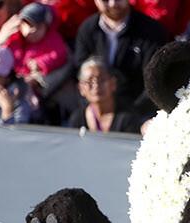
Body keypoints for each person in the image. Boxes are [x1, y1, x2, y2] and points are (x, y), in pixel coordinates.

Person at [73, 0, 171, 132]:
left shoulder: (151, 31)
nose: (113, 4)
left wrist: (131, 114)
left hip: (140, 112)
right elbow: (81, 73)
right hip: (95, 111)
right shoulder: (87, 29)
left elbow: (154, 80)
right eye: (105, 0)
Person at [4, 3, 71, 95]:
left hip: (41, 80)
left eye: (38, 27)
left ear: (46, 26)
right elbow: (8, 55)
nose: (32, 30)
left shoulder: (52, 39)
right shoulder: (15, 40)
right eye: (28, 25)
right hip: (18, 77)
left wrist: (40, 63)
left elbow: (59, 55)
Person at [65, 56, 134, 132]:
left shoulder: (128, 118)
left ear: (113, 83)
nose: (96, 85)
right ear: (81, 88)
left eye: (102, 80)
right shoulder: (77, 119)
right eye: (90, 81)